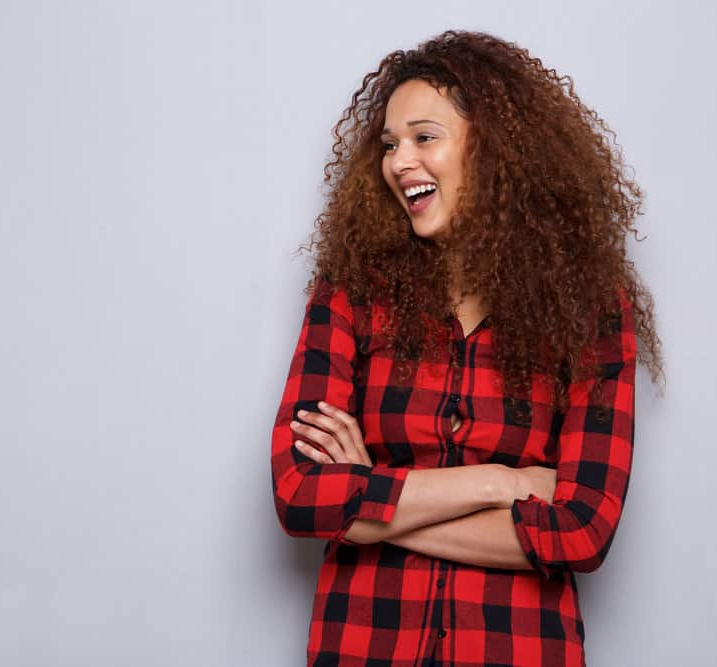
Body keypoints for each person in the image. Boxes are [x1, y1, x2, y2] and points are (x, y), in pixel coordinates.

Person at [270, 29, 664, 667]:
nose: (400, 161)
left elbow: (584, 531)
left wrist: (372, 494)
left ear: (497, 151)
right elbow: (299, 494)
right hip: (364, 648)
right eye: (390, 144)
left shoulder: (589, 308)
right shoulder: (350, 293)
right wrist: (502, 484)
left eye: (425, 138)